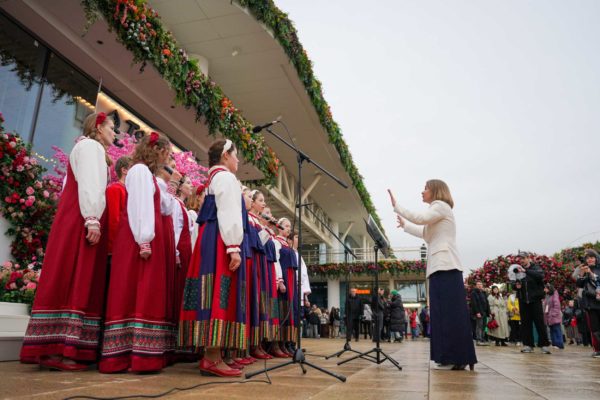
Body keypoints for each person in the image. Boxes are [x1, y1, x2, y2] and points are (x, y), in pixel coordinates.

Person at [20, 112, 113, 370]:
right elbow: (91, 184)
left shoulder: (84, 147)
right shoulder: (91, 147)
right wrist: (92, 218)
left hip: (74, 217)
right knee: (76, 275)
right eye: (111, 127)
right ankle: (62, 350)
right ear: (98, 127)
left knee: (68, 274)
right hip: (81, 219)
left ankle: (55, 347)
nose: (114, 133)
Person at [100, 132, 180, 374]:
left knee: (142, 292)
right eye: (166, 154)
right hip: (137, 239)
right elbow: (139, 206)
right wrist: (144, 239)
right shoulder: (140, 171)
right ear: (157, 151)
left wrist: (171, 184)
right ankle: (128, 355)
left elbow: (165, 207)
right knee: (135, 290)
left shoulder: (150, 176)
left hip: (142, 239)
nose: (166, 159)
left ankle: (139, 353)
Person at [389, 181, 477, 370]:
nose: (422, 191)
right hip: (439, 267)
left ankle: (458, 357)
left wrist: (397, 206)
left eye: (426, 188)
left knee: (450, 314)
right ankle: (447, 356)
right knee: (441, 315)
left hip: (446, 266)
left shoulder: (440, 206)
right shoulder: (436, 212)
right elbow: (425, 233)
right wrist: (405, 226)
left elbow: (421, 219)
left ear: (436, 191)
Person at [178, 139, 246, 377]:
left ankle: (214, 354)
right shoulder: (225, 177)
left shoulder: (213, 179)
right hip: (220, 239)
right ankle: (212, 357)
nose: (238, 160)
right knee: (218, 291)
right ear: (226, 155)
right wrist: (233, 246)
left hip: (210, 238)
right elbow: (228, 212)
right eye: (235, 155)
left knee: (210, 291)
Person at [514, 251, 552, 354]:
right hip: (523, 300)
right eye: (520, 259)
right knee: (526, 324)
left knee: (539, 323)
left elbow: (540, 276)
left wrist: (525, 271)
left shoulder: (535, 267)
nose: (521, 260)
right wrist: (516, 286)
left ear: (528, 258)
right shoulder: (517, 271)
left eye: (523, 258)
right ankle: (528, 345)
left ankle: (544, 345)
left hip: (535, 300)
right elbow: (513, 284)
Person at [575, 249, 600, 357]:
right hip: (590, 304)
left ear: (596, 258)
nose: (590, 259)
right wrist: (581, 274)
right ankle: (597, 349)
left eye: (592, 257)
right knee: (594, 329)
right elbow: (579, 284)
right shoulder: (584, 269)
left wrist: (590, 273)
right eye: (588, 258)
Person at [106, 156, 132, 256]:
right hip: (117, 245)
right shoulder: (114, 189)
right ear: (124, 170)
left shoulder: (130, 191)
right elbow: (113, 220)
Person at [543, 283, 564, 349]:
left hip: (554, 316)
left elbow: (557, 305)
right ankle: (554, 343)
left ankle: (559, 344)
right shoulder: (547, 295)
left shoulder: (554, 295)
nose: (544, 290)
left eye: (545, 288)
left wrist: (553, 314)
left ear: (549, 289)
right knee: (552, 330)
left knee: (557, 330)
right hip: (549, 317)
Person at [470, 281, 490, 346]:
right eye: (478, 284)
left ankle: (482, 339)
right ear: (476, 286)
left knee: (484, 326)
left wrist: (489, 312)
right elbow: (474, 304)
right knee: (479, 326)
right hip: (479, 312)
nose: (479, 285)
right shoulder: (474, 293)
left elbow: (487, 303)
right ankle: (478, 340)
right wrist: (477, 312)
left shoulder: (484, 293)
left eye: (481, 284)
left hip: (485, 312)